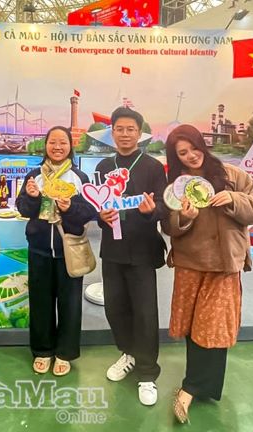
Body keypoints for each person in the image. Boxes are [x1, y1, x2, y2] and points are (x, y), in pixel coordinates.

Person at [162, 124, 253, 424]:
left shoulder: (231, 175)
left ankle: (191, 388)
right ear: (176, 157)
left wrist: (232, 199)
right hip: (191, 263)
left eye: (194, 148)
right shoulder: (177, 186)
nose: (191, 155)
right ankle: (198, 385)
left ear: (202, 145)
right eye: (183, 153)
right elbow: (168, 226)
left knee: (214, 326)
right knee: (194, 326)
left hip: (224, 263)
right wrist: (184, 217)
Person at [96, 107, 168, 406]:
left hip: (142, 250)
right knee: (115, 309)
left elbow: (165, 205)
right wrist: (101, 216)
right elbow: (97, 205)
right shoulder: (104, 165)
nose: (125, 134)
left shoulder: (153, 167)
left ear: (140, 133)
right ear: (112, 132)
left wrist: (153, 211)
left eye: (130, 129)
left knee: (145, 313)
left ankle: (147, 373)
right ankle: (128, 353)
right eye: (119, 129)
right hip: (112, 251)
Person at [16, 126, 97, 376]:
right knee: (40, 302)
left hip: (69, 251)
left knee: (70, 304)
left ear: (70, 146)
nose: (58, 147)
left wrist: (70, 207)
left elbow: (90, 212)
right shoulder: (34, 176)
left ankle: (65, 353)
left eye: (63, 142)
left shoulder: (79, 177)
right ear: (46, 145)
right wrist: (32, 197)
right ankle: (43, 351)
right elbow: (22, 208)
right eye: (53, 142)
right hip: (39, 250)